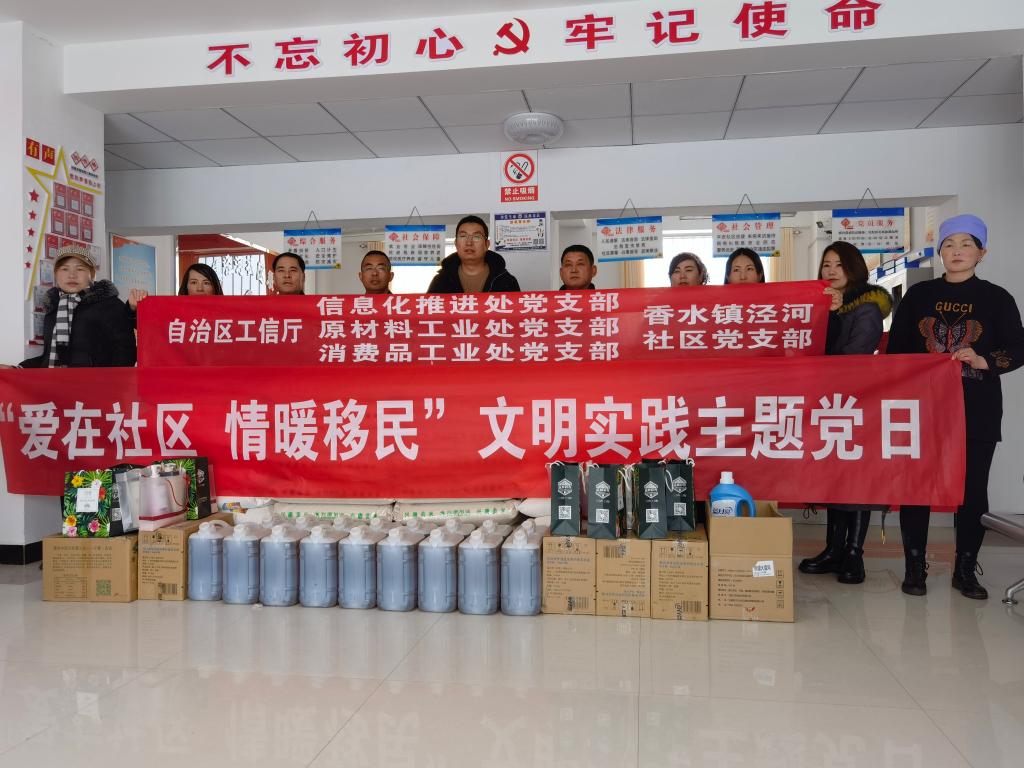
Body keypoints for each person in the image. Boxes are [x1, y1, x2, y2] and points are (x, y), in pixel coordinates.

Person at [887, 214, 1024, 599]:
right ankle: (914, 566)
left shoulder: (997, 298)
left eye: (966, 244)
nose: (957, 251)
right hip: (923, 408)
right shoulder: (919, 295)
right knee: (917, 486)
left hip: (977, 409)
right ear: (940, 251)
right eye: (949, 244)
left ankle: (965, 568)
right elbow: (896, 350)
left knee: (973, 489)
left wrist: (984, 360)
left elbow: (1018, 347)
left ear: (982, 252)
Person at [799, 241, 892, 584]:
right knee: (835, 479)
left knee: (856, 481)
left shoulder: (866, 307)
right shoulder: (820, 306)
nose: (832, 270)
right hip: (829, 404)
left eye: (839, 264)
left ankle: (854, 554)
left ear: (854, 268)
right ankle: (833, 549)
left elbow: (853, 356)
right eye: (826, 264)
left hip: (857, 404)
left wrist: (834, 316)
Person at [17, 245, 142, 368]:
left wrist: (111, 381)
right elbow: (48, 358)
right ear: (55, 273)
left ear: (92, 273)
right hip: (58, 380)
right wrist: (19, 368)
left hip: (96, 381)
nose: (72, 275)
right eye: (64, 269)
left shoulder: (109, 304)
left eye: (80, 269)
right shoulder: (54, 309)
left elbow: (126, 351)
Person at [427, 215, 521, 293]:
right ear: (456, 244)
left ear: (486, 244)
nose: (469, 243)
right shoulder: (440, 281)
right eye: (463, 236)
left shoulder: (506, 281)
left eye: (476, 237)